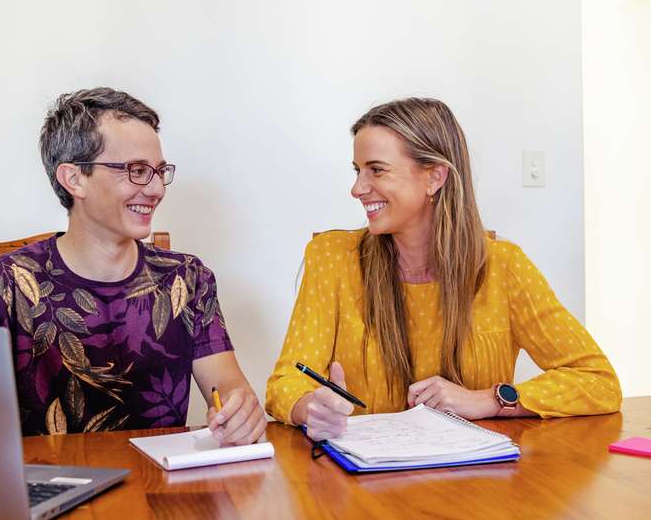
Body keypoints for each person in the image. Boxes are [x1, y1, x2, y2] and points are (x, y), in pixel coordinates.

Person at [265, 97, 621, 440]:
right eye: (358, 171)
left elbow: (598, 381)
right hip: (362, 488)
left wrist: (486, 400)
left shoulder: (504, 266)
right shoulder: (331, 258)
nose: (357, 188)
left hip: (475, 487)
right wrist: (310, 407)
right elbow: (285, 383)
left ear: (435, 177)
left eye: (376, 170)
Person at [0, 87, 266, 444]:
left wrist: (239, 411)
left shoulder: (187, 279)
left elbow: (226, 386)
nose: (155, 189)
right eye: (136, 170)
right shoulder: (3, 285)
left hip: (160, 488)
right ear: (74, 179)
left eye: (159, 171)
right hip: (47, 494)